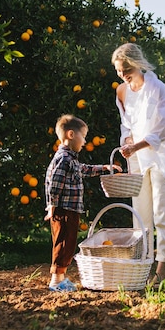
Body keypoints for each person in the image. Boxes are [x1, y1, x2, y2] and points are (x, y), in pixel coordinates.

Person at [111, 43, 165, 286]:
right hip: (139, 157)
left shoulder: (157, 88)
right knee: (140, 213)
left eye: (126, 69)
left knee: (162, 211)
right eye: (119, 71)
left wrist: (137, 145)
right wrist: (127, 140)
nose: (122, 75)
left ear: (137, 64)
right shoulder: (121, 91)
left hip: (164, 155)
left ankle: (162, 269)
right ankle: (142, 264)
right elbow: (126, 123)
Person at [44, 114, 122, 292]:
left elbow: (83, 169)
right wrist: (52, 206)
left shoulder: (69, 159)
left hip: (69, 208)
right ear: (71, 134)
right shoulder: (64, 159)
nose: (85, 141)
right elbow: (54, 184)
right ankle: (56, 281)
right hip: (63, 209)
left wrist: (104, 168)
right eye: (83, 136)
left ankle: (60, 277)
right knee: (63, 243)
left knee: (68, 242)